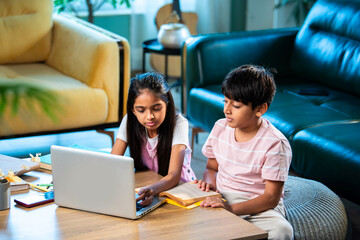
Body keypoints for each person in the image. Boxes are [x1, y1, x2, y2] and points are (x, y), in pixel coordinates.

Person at [196, 65, 293, 240]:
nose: (227, 110)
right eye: (225, 101)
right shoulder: (220, 128)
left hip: (259, 206)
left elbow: (271, 198)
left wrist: (231, 210)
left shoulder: (276, 144)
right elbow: (211, 168)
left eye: (236, 105)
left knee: (282, 230)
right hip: (223, 196)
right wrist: (211, 187)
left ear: (260, 109)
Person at [111, 72, 196, 207]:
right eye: (141, 110)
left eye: (156, 108)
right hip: (151, 186)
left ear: (167, 105)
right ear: (133, 110)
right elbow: (113, 162)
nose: (149, 116)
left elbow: (174, 175)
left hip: (180, 191)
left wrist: (152, 190)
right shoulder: (129, 121)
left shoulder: (179, 124)